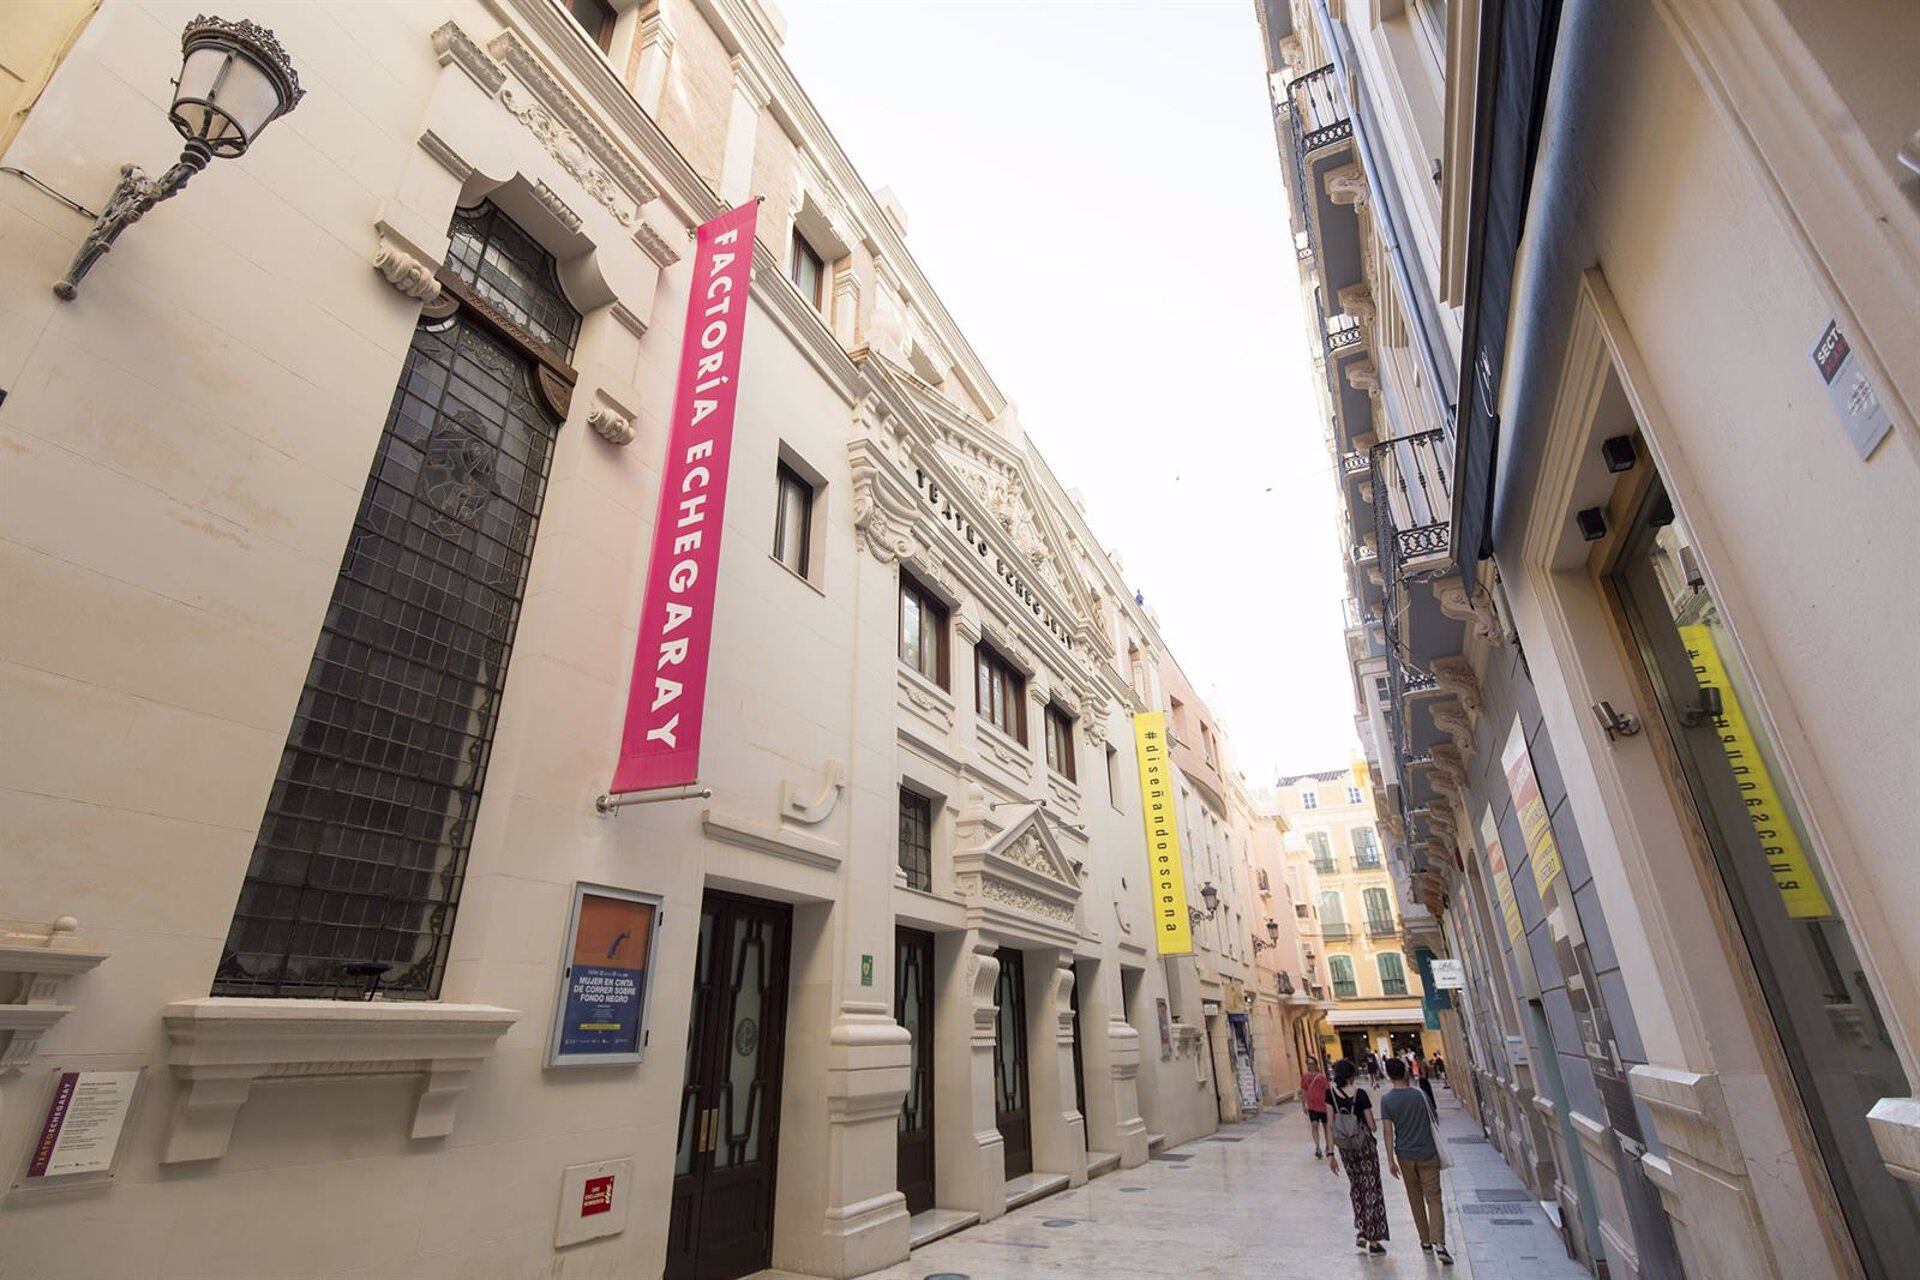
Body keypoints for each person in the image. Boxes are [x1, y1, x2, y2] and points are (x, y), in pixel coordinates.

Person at [1382, 1057, 1453, 1265]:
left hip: (1404, 1155)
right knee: (1434, 1198)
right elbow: (1434, 1119)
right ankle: (1439, 1243)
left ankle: (1425, 1240)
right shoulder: (1420, 1095)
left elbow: (1388, 1131)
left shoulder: (1387, 1101)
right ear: (1405, 1072)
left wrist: (1390, 1159)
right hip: (1428, 1152)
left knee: (1415, 1198)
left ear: (1388, 1075)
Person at [1325, 1059, 1389, 1254]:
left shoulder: (1330, 1095)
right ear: (1352, 1076)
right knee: (1371, 1187)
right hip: (1364, 1147)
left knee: (1356, 1187)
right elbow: (1371, 1125)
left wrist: (1330, 1153)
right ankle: (1372, 1236)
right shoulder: (1360, 1094)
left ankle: (1361, 1229)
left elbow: (1329, 1124)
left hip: (1345, 1148)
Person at [1300, 1056, 1332, 1157]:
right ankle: (1318, 1147)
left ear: (1316, 1064)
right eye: (1308, 1064)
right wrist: (1303, 1104)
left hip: (1323, 1105)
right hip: (1312, 1106)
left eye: (1312, 1063)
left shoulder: (1322, 1077)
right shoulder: (1305, 1077)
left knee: (1326, 1127)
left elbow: (1328, 1090)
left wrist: (1330, 1105)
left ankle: (1328, 1146)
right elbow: (1303, 1091)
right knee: (1314, 1125)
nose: (1310, 1066)